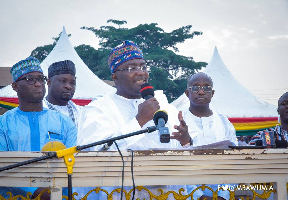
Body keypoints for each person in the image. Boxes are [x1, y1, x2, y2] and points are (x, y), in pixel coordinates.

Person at [77, 40, 190, 199]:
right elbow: (97, 154)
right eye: (131, 68)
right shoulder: (99, 109)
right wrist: (139, 121)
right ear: (115, 76)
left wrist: (186, 141)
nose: (140, 72)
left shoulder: (165, 106)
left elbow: (184, 160)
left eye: (143, 66)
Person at [0, 56, 77, 199]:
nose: (38, 84)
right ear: (15, 86)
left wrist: (53, 192)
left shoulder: (64, 123)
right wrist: (35, 191)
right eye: (30, 79)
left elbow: (72, 162)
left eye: (41, 79)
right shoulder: (1, 125)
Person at [183, 72, 238, 200]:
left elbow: (236, 161)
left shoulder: (224, 122)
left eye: (206, 88)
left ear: (212, 93)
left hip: (223, 194)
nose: (201, 92)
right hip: (187, 195)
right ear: (187, 93)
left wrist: (224, 196)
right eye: (195, 88)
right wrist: (198, 196)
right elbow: (175, 164)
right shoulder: (178, 121)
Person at [43, 60, 81, 128]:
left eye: (72, 83)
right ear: (49, 82)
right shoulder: (38, 112)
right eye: (63, 81)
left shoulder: (80, 113)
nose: (68, 86)